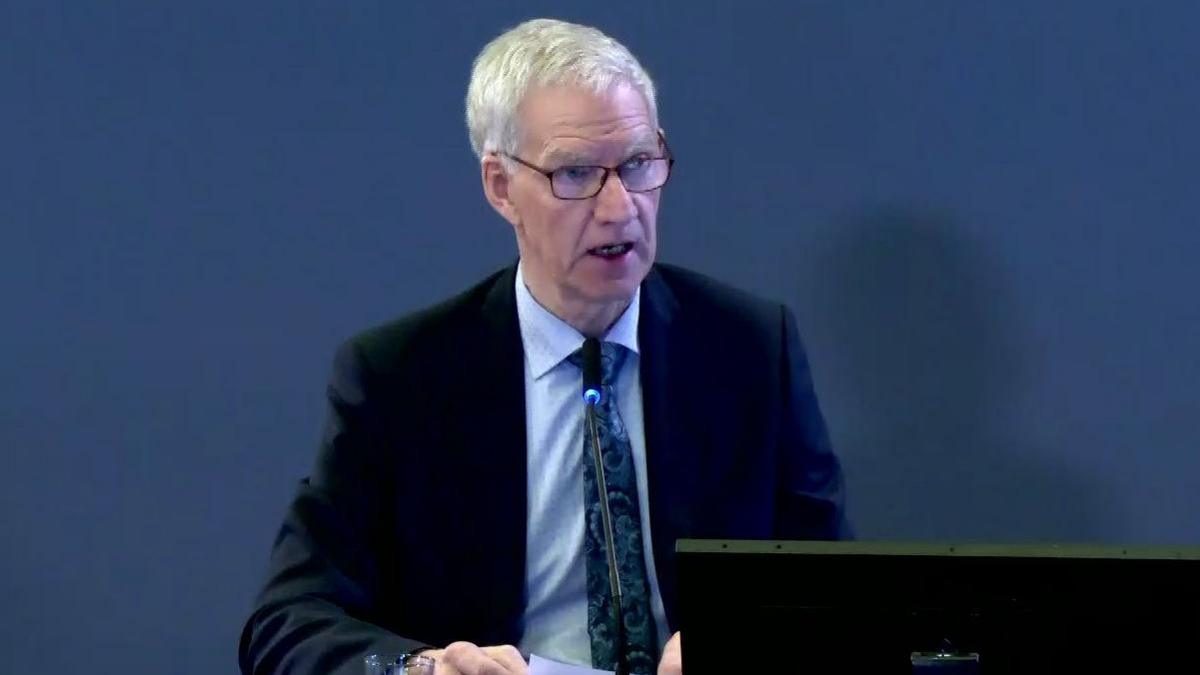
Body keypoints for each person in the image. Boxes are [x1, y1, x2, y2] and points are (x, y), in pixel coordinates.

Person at [239, 17, 850, 675]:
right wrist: (422, 668)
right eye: (577, 173)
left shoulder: (749, 350)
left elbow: (836, 594)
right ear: (501, 186)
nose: (619, 208)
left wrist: (746, 639)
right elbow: (285, 622)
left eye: (639, 164)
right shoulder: (400, 378)